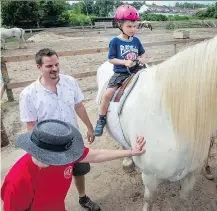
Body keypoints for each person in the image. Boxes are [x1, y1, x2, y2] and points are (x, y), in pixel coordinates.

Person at [1, 119, 146, 211]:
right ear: (51, 155)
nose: (71, 156)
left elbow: (96, 154)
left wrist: (130, 152)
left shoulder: (65, 152)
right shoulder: (19, 181)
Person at [18, 48, 100, 210]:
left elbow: (79, 106)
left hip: (72, 139)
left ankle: (82, 197)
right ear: (38, 67)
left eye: (56, 64)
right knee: (53, 178)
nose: (54, 69)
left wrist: (89, 127)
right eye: (49, 66)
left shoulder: (70, 82)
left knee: (79, 169)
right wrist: (37, 151)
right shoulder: (28, 94)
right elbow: (31, 125)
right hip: (50, 146)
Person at [94, 4, 147, 136]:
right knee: (107, 94)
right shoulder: (115, 42)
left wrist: (143, 59)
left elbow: (142, 54)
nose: (132, 29)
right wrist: (124, 62)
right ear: (120, 25)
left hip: (137, 71)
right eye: (129, 26)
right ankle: (101, 119)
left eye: (134, 26)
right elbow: (111, 59)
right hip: (121, 73)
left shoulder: (136, 41)